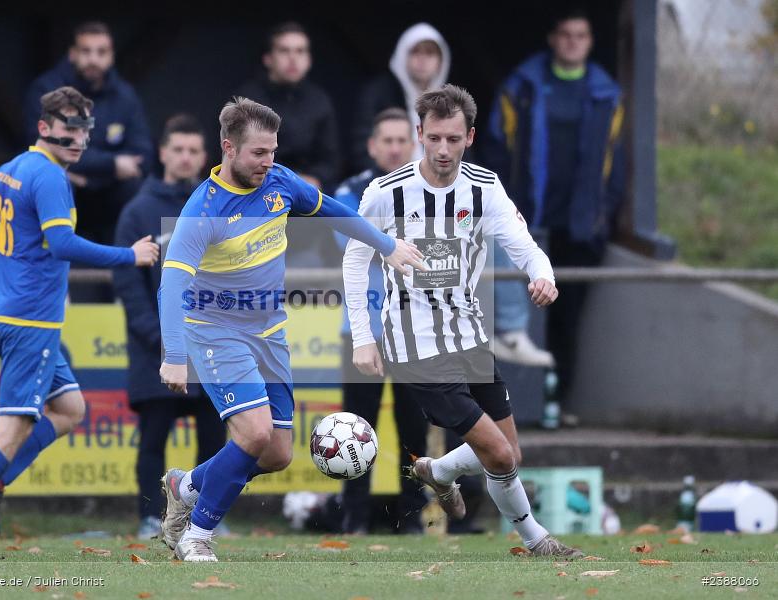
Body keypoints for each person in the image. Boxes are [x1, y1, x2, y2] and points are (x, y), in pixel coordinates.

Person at [157, 97, 424, 562]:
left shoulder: (280, 182)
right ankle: (196, 536)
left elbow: (332, 211)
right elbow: (172, 284)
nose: (268, 162)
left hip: (269, 332)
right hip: (216, 331)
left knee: (277, 452)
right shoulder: (203, 209)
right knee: (254, 433)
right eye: (259, 153)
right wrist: (174, 354)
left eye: (273, 151)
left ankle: (188, 485)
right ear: (228, 148)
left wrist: (386, 244)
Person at [343, 84, 583, 557]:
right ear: (419, 135)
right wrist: (363, 337)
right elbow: (354, 259)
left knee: (511, 453)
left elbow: (522, 242)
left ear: (469, 137)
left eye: (453, 139)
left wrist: (543, 275)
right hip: (415, 344)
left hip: (470, 334)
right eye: (434, 138)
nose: (443, 149)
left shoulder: (484, 187)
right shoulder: (385, 193)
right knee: (497, 453)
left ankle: (440, 470)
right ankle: (537, 540)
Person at [0, 86, 159, 549]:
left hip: (6, 315)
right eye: (68, 127)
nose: (77, 139)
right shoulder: (51, 177)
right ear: (44, 127)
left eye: (85, 129)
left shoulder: (11, 168)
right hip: (30, 321)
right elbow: (62, 245)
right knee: (14, 423)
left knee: (71, 409)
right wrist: (129, 255)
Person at [481, 9, 625, 415]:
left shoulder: (607, 93)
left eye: (581, 35)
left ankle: (558, 405)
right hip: (526, 223)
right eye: (565, 34)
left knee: (566, 319)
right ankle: (510, 410)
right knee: (514, 321)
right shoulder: (522, 85)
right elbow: (496, 148)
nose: (573, 42)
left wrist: (602, 216)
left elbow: (617, 163)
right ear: (552, 39)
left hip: (579, 229)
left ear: (591, 41)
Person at [112, 114, 225, 539]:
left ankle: (207, 518)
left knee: (213, 438)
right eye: (177, 149)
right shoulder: (137, 211)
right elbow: (129, 283)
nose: (184, 157)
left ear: (204, 156)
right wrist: (161, 336)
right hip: (153, 349)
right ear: (162, 152)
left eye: (193, 150)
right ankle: (149, 519)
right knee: (153, 439)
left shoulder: (216, 206)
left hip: (209, 346)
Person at [333, 108, 427, 534]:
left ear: (413, 145)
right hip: (362, 329)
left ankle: (412, 517)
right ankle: (354, 518)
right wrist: (392, 240)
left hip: (414, 328)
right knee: (356, 428)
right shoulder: (351, 191)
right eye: (385, 140)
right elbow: (347, 239)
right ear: (372, 146)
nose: (393, 148)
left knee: (413, 428)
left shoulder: (432, 191)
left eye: (400, 140)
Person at [24, 21, 153, 245]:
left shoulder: (125, 96)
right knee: (56, 180)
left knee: (140, 192)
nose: (93, 59)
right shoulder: (47, 90)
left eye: (101, 52)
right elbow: (46, 145)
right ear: (72, 54)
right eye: (86, 51)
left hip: (108, 191)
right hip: (66, 184)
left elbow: (143, 154)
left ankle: (134, 273)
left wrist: (90, 174)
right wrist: (112, 164)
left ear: (111, 56)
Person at [237, 21, 340, 266]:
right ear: (268, 58)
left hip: (305, 208)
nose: (293, 59)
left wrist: (315, 178)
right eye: (284, 51)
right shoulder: (247, 102)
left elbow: (332, 160)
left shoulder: (319, 101)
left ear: (309, 59)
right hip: (257, 202)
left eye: (300, 51)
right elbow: (236, 159)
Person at [351, 23, 450, 172]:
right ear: (402, 54)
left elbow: (460, 149)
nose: (422, 59)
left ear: (441, 61)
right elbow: (361, 148)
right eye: (415, 52)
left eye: (430, 53)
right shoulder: (378, 93)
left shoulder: (449, 101)